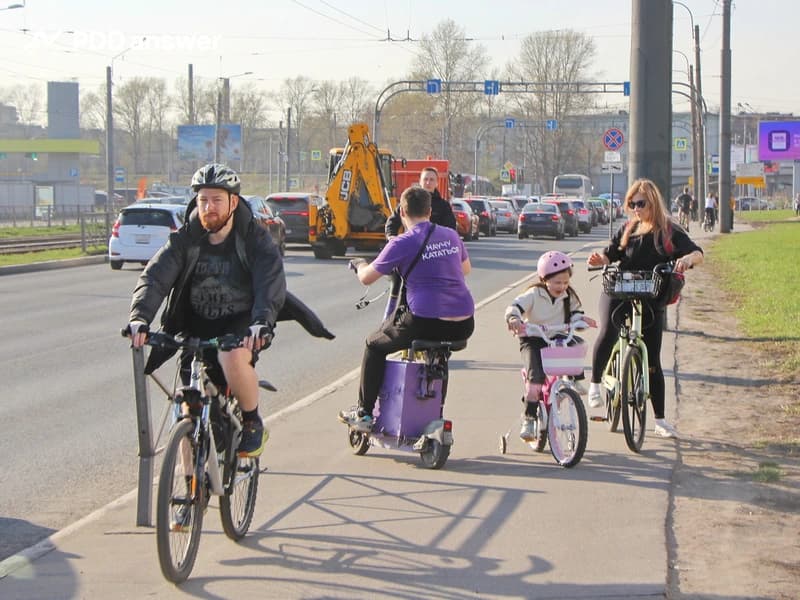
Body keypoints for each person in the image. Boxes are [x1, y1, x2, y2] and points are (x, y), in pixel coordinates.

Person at [126, 163, 286, 458]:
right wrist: (139, 317)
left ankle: (252, 422)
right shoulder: (185, 238)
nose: (208, 208)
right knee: (188, 408)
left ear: (233, 202)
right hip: (196, 326)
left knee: (231, 355)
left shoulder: (253, 238)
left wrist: (261, 321)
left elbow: (270, 282)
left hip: (241, 325)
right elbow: (155, 277)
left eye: (216, 200)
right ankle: (190, 493)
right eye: (203, 200)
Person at [339, 186, 475, 431]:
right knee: (439, 354)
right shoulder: (451, 235)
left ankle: (364, 413)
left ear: (402, 212)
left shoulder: (402, 242)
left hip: (426, 318)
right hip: (464, 323)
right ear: (430, 211)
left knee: (374, 344)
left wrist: (359, 264)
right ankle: (435, 414)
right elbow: (465, 270)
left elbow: (367, 278)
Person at [586, 178, 704, 439]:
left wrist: (685, 259)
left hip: (651, 296)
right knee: (608, 331)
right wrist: (600, 259)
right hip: (620, 290)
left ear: (653, 202)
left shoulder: (669, 230)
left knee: (652, 360)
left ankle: (660, 421)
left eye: (640, 203)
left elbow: (698, 253)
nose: (636, 209)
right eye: (632, 204)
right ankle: (595, 384)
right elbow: (611, 254)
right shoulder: (630, 227)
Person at [504, 251, 597, 441]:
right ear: (543, 279)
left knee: (578, 345)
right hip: (533, 338)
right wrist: (514, 318)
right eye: (557, 282)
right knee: (535, 383)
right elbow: (515, 307)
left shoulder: (568, 295)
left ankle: (576, 378)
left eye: (565, 282)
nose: (561, 287)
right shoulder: (533, 294)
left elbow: (575, 314)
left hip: (558, 335)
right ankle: (529, 419)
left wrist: (581, 320)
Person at [385, 166, 457, 238]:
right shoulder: (409, 201)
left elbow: (450, 228)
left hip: (434, 246)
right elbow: (392, 222)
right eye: (425, 179)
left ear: (437, 183)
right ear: (420, 181)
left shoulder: (443, 206)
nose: (428, 182)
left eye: (431, 180)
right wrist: (391, 236)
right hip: (412, 243)